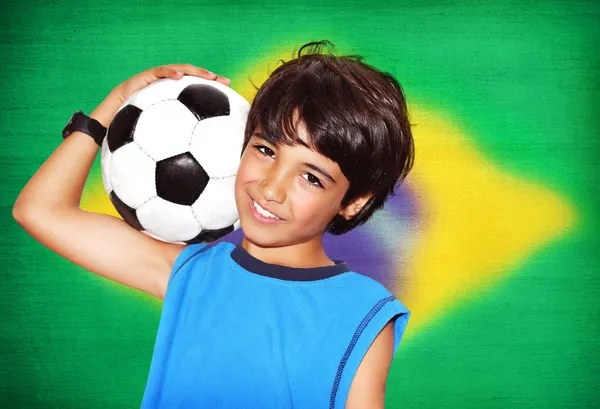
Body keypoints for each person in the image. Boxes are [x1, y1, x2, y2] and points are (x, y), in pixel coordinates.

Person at [13, 41, 415, 408]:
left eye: (311, 177)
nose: (271, 187)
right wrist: (118, 101)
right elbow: (39, 210)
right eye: (265, 149)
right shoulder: (192, 274)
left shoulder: (364, 310)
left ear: (353, 202)